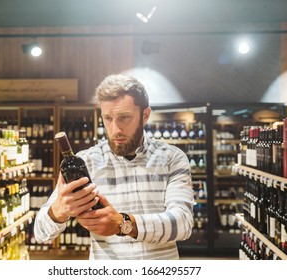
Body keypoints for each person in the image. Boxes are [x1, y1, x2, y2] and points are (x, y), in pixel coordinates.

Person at [34, 74, 194, 259]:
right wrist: (59, 211)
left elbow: (183, 224)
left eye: (124, 117)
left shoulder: (171, 158)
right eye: (108, 118)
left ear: (145, 115)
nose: (115, 129)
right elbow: (40, 233)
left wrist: (124, 224)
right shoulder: (85, 161)